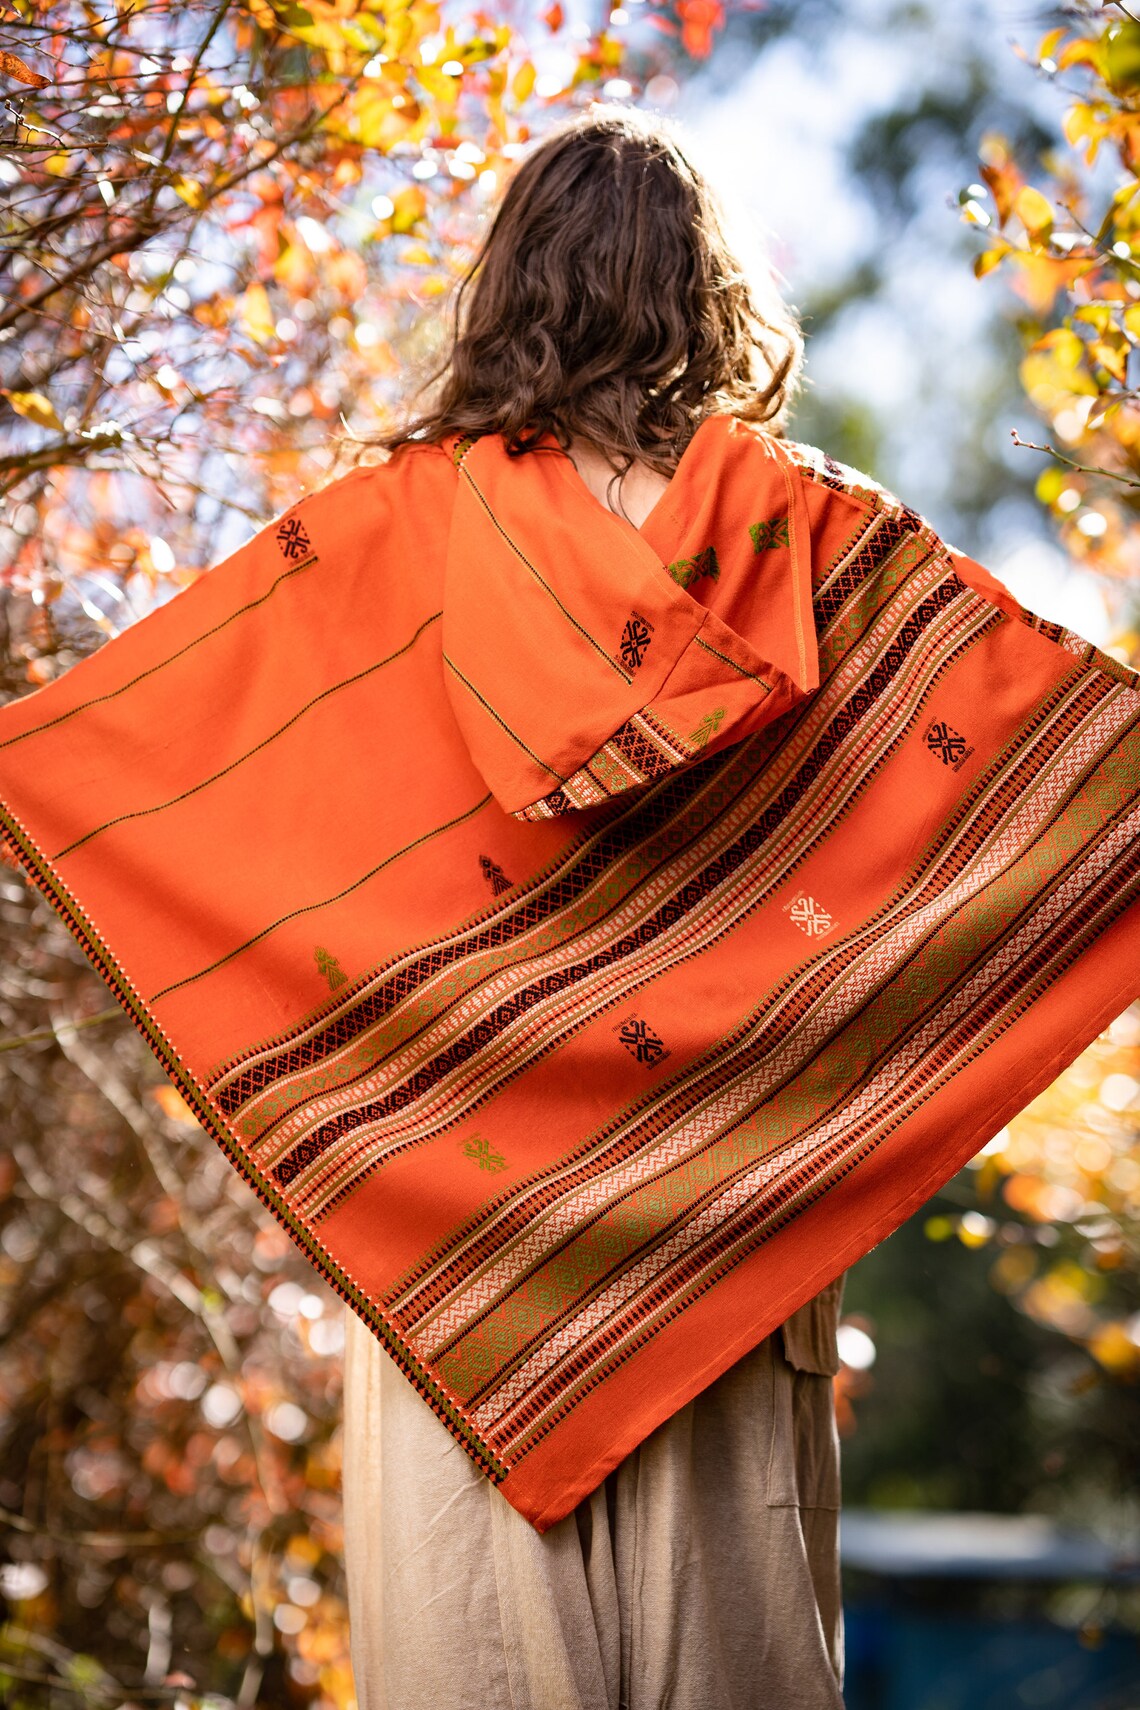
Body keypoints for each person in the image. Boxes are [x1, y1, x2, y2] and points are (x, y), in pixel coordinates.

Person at [340, 105, 842, 1710]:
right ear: (707, 293)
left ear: (511, 285)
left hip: (460, 1219)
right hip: (724, 1209)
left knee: (476, 1655)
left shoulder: (388, 539)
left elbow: (280, 845)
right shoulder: (809, 533)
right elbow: (939, 832)